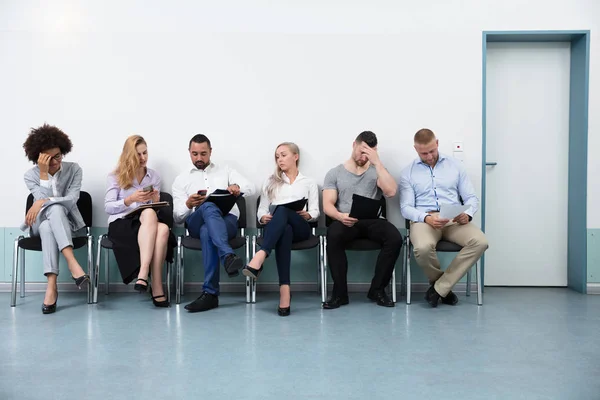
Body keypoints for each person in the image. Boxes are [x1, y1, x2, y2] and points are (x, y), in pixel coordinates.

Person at [400, 128, 489, 307]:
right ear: (416, 149)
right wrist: (426, 218)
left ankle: (439, 288)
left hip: (454, 218)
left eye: (432, 151)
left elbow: (471, 198)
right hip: (425, 219)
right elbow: (406, 207)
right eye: (424, 153)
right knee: (423, 248)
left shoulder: (455, 166)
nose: (429, 156)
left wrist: (468, 214)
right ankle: (443, 288)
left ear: (437, 143)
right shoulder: (408, 172)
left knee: (480, 242)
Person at [172, 134, 255, 312]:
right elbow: (178, 217)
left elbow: (251, 187)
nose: (199, 158)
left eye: (203, 153)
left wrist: (236, 188)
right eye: (195, 154)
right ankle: (227, 255)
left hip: (228, 221)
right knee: (208, 206)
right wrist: (188, 204)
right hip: (195, 220)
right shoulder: (181, 179)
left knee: (207, 231)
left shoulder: (226, 171)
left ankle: (210, 295)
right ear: (189, 152)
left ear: (210, 151)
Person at [322, 131, 402, 309]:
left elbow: (390, 192)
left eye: (368, 153)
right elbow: (327, 205)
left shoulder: (377, 171)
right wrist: (339, 216)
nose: (363, 157)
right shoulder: (335, 173)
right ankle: (340, 294)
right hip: (346, 220)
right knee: (333, 234)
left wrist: (377, 163)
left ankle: (377, 289)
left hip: (373, 220)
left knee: (395, 238)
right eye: (361, 151)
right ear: (353, 145)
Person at [242, 142, 319, 316]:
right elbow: (262, 209)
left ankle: (261, 255)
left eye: (284, 155)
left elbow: (316, 212)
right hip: (280, 230)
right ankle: (285, 292)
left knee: (283, 209)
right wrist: (263, 217)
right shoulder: (271, 181)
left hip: (302, 228)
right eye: (277, 157)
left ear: (296, 157)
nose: (280, 159)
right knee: (284, 230)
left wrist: (307, 215)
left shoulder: (309, 182)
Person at [21, 124, 90, 314]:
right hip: (37, 222)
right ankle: (72, 263)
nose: (55, 162)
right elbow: (44, 206)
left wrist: (44, 201)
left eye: (58, 156)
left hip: (67, 224)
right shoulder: (31, 176)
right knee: (50, 215)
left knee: (48, 225)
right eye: (48, 158)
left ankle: (51, 287)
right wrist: (43, 175)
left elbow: (72, 199)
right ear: (38, 158)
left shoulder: (74, 169)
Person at [105, 135, 174, 308]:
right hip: (121, 223)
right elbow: (108, 207)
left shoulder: (153, 176)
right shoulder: (116, 176)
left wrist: (155, 200)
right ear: (129, 155)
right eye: (138, 154)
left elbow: (152, 208)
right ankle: (152, 282)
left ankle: (149, 279)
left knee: (160, 224)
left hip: (145, 223)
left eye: (145, 153)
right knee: (159, 224)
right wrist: (130, 199)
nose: (143, 158)